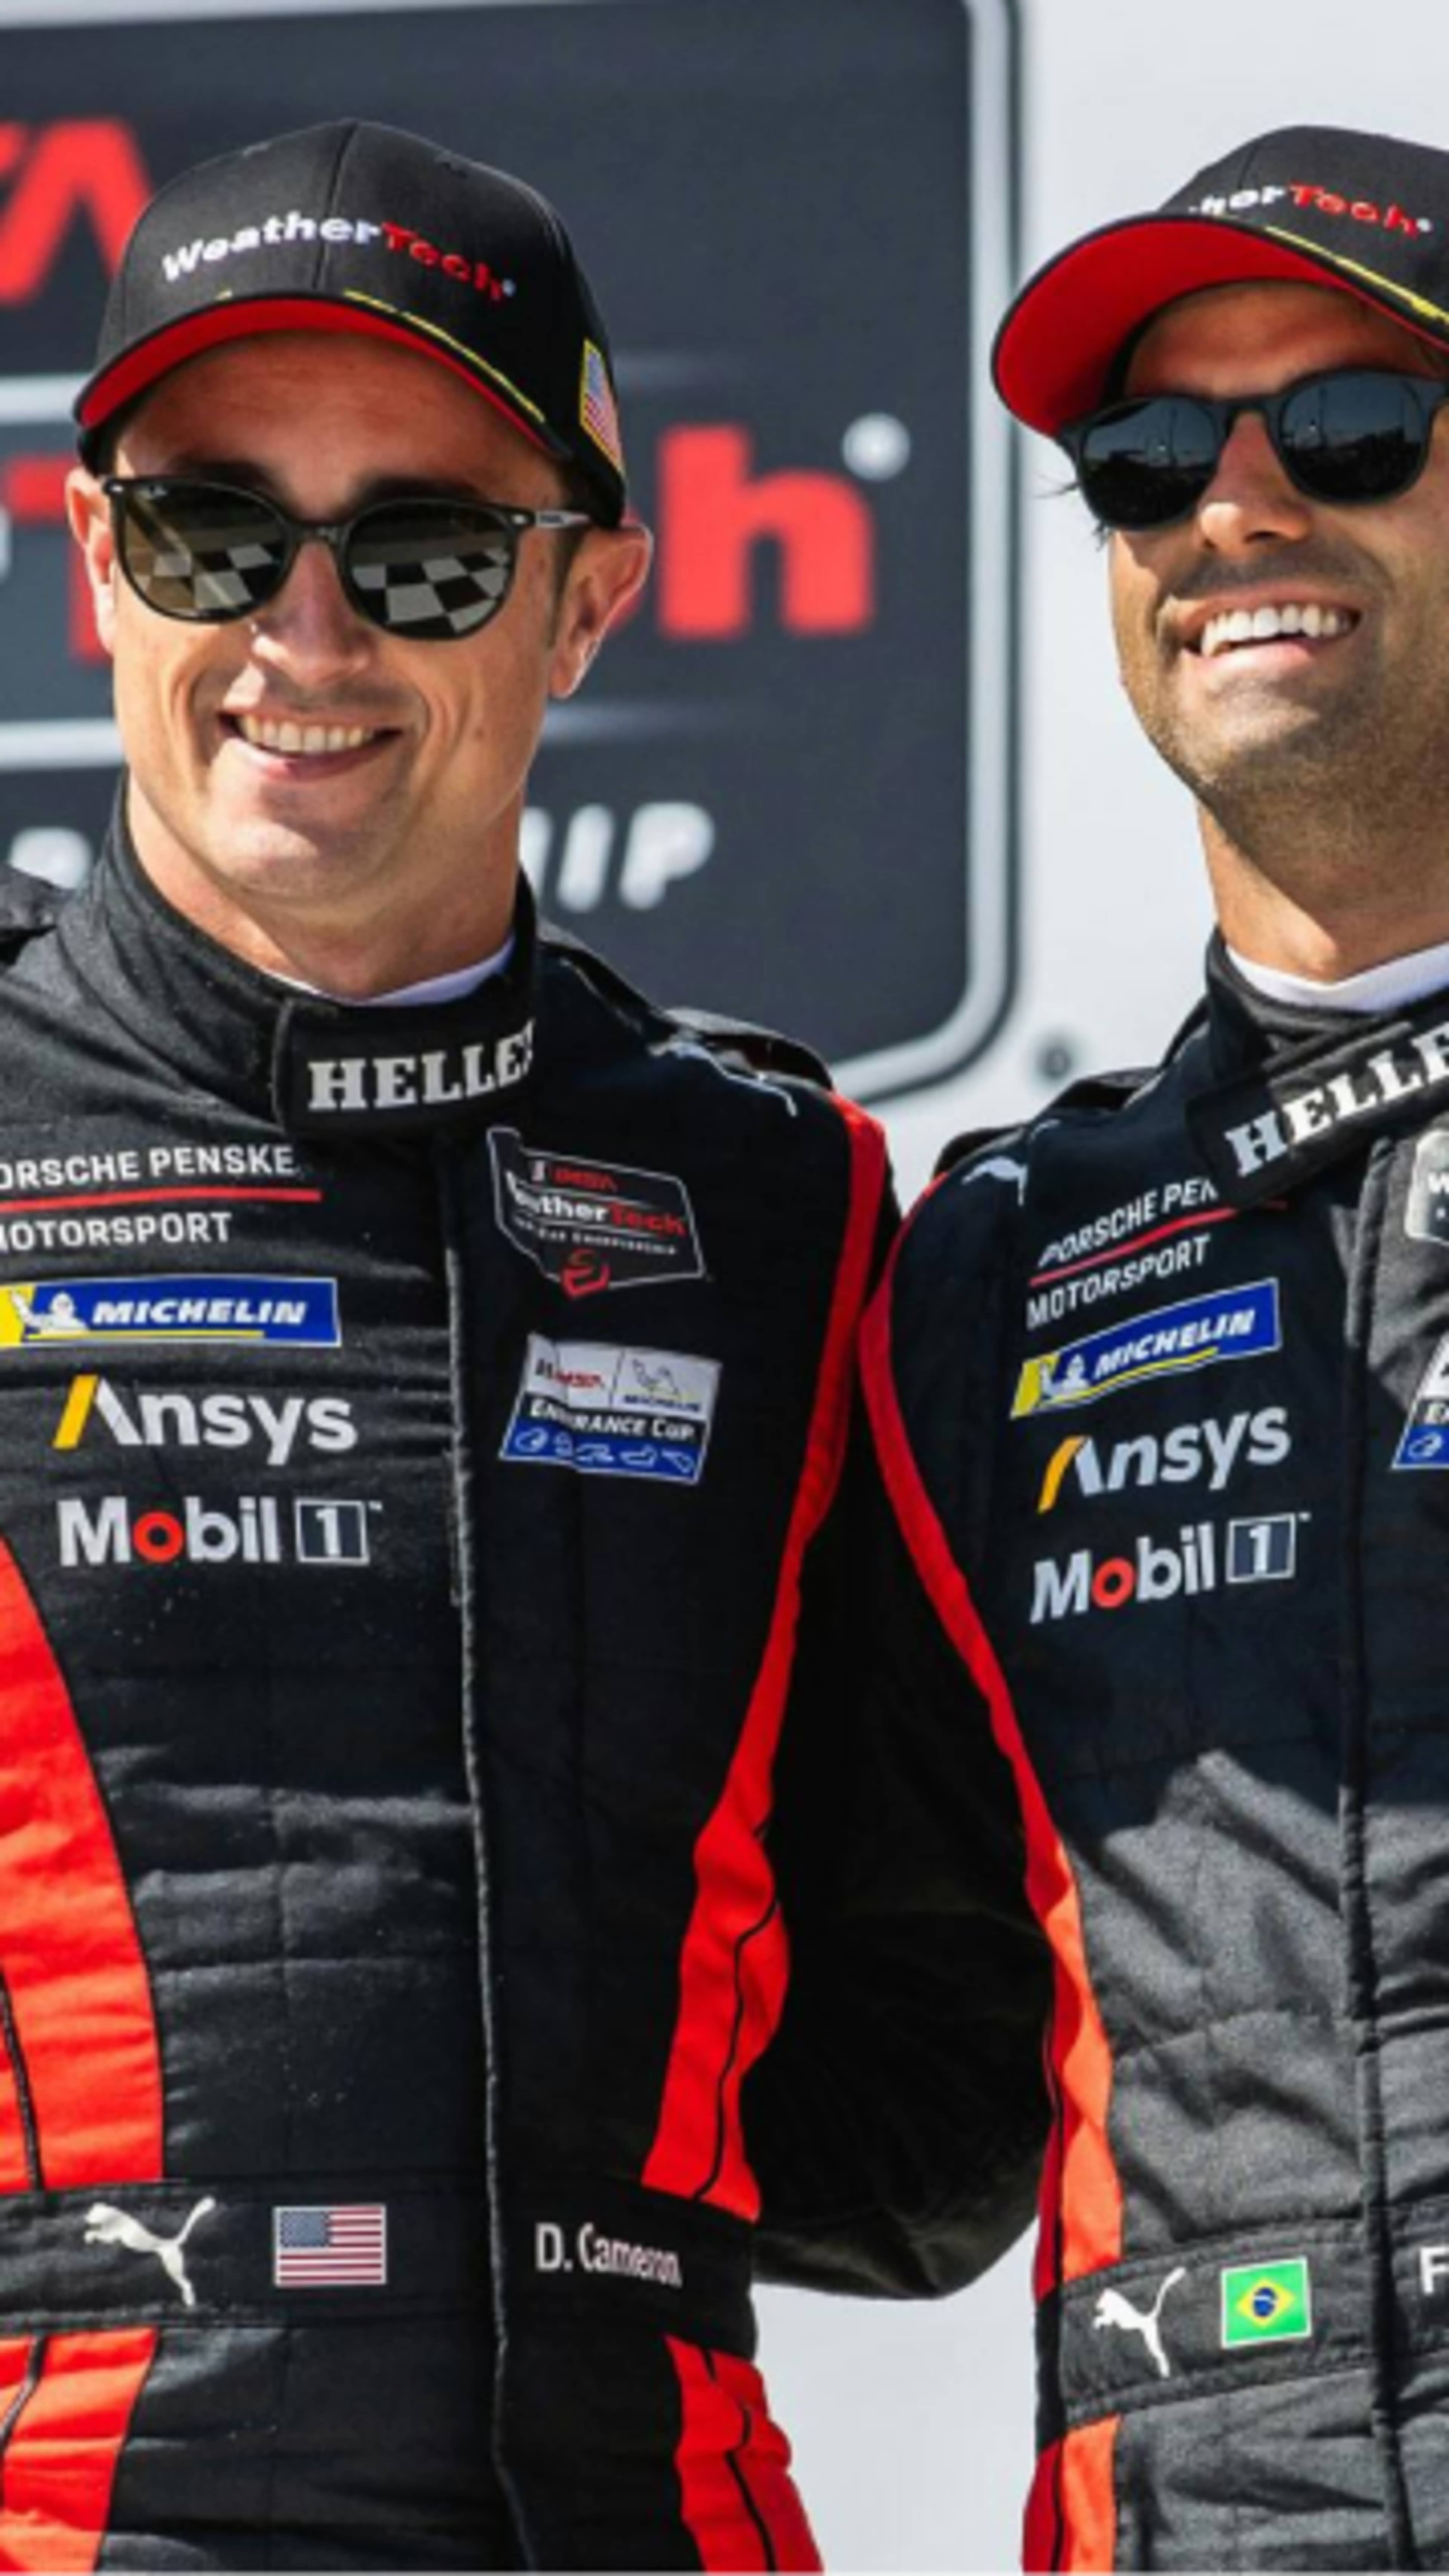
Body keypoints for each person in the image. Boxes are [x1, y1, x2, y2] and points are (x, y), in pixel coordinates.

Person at [0, 113, 972, 2573]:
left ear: (591, 601)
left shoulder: (780, 1206)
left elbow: (938, 2099)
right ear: (97, 563)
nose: (308, 643)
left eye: (424, 557)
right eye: (223, 537)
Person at [865, 123, 1449, 2573]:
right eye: (1143, 457)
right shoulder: (1006, 1257)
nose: (1233, 512)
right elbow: (872, 2088)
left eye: (1348, 433)